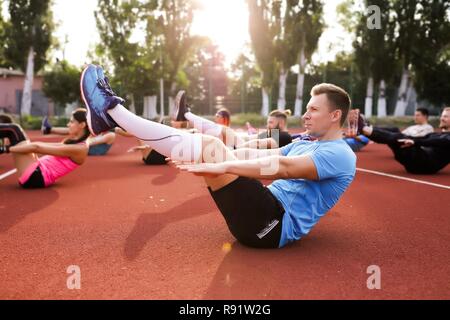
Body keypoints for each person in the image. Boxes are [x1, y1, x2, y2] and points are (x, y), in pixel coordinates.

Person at [81, 64, 356, 248]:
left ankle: (111, 113)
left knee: (212, 148)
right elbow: (253, 150)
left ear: (335, 116)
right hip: (263, 213)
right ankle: (110, 115)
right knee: (212, 145)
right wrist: (225, 156)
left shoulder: (341, 155)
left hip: (272, 226)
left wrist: (224, 162)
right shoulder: (305, 142)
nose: (305, 115)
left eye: (313, 110)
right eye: (306, 109)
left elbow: (282, 167)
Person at [0, 108, 89, 188]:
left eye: (72, 122)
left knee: (14, 130)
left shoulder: (80, 148)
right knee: (17, 132)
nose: (68, 124)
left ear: (82, 125)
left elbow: (37, 147)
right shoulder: (77, 142)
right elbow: (40, 145)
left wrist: (6, 149)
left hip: (35, 176)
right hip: (38, 170)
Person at [350, 107, 450, 174]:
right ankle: (363, 129)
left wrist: (415, 142)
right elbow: (423, 139)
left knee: (398, 136)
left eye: (445, 116)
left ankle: (363, 128)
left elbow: (439, 142)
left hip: (425, 165)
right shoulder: (436, 134)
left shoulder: (446, 137)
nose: (441, 118)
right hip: (415, 162)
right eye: (442, 116)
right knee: (397, 136)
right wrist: (412, 140)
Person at [174, 94, 292, 150]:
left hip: (246, 154)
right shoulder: (273, 133)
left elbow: (259, 144)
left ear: (281, 124)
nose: (268, 125)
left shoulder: (284, 136)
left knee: (223, 131)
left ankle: (186, 114)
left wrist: (236, 148)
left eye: (271, 123)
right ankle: (185, 116)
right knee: (216, 134)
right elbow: (252, 138)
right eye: (268, 122)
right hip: (244, 150)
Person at [41, 114, 116, 156]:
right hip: (86, 148)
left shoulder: (111, 135)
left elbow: (91, 142)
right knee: (76, 129)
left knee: (79, 131)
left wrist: (78, 139)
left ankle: (44, 146)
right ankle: (48, 129)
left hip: (90, 150)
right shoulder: (98, 131)